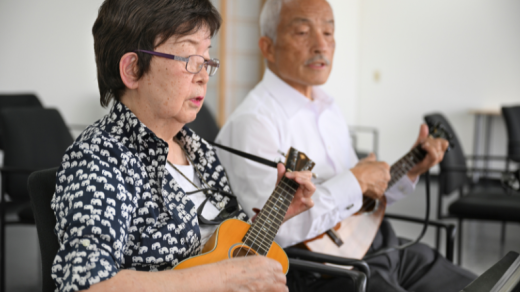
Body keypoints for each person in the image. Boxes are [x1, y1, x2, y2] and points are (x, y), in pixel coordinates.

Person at [50, 1, 317, 291]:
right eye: (190, 57)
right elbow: (87, 286)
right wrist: (227, 277)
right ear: (133, 69)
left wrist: (274, 216)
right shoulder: (99, 159)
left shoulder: (198, 149)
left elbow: (223, 246)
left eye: (207, 59)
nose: (203, 75)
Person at [216, 0, 477, 291]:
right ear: (268, 47)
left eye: (328, 33)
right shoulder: (252, 123)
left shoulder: (328, 107)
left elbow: (359, 201)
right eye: (303, 32)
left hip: (376, 245)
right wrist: (355, 180)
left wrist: (411, 171)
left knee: (481, 284)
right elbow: (276, 229)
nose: (320, 45)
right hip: (323, 272)